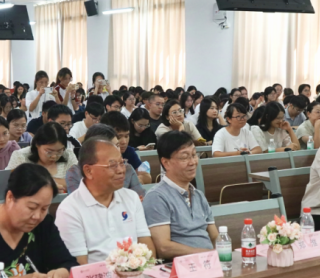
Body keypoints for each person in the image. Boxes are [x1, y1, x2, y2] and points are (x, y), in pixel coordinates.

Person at [54, 138, 155, 264]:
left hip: (136, 273)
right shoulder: (70, 209)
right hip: (96, 275)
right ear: (88, 171)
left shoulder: (131, 197)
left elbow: (147, 248)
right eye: (112, 165)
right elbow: (79, 266)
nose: (121, 170)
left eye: (122, 163)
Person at [143, 131, 219, 259]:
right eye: (184, 157)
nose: (192, 162)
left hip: (208, 262)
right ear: (166, 163)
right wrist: (205, 254)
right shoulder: (156, 197)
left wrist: (223, 253)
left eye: (194, 155)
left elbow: (215, 236)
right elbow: (163, 248)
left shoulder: (198, 195)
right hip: (180, 266)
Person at [64, 125, 146, 197]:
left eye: (117, 145)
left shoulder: (127, 169)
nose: (117, 150)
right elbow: (78, 203)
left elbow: (140, 198)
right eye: (111, 147)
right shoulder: (75, 173)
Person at [5, 122, 77, 191]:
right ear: (37, 144)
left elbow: (78, 182)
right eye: (49, 152)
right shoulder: (21, 156)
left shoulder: (68, 154)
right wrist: (53, 184)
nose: (54, 156)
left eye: (59, 151)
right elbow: (10, 183)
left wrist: (36, 182)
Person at [100, 110, 151, 184]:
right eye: (119, 137)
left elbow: (146, 177)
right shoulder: (97, 156)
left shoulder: (129, 151)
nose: (124, 142)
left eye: (126, 136)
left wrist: (132, 180)